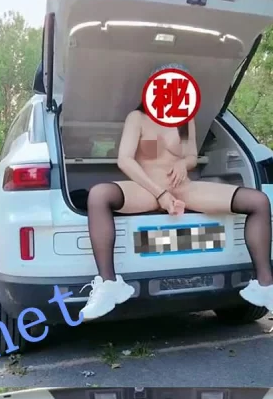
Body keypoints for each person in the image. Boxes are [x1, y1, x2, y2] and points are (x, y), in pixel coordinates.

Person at [81, 62, 273, 320]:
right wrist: (160, 194)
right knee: (98, 195)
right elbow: (125, 160)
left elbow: (192, 156)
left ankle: (265, 286)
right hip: (147, 189)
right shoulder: (137, 118)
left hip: (184, 188)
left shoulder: (185, 119)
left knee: (258, 201)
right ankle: (109, 285)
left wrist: (184, 163)